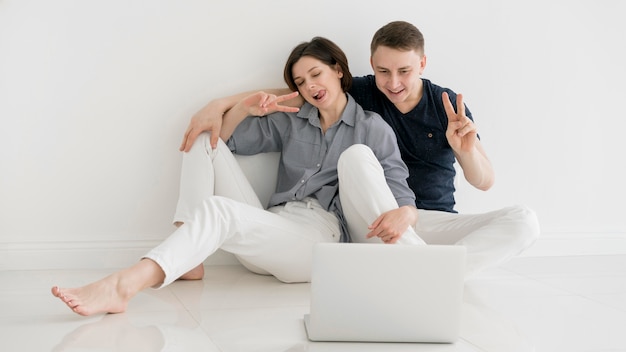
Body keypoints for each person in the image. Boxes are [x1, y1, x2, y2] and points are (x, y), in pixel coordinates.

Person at [51, 36, 425, 316]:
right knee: (202, 137)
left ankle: (125, 284)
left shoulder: (371, 128)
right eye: (300, 81)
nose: (310, 86)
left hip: (315, 241)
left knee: (220, 211)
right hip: (269, 229)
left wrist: (406, 216)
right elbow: (223, 143)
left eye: (317, 74)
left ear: (338, 71)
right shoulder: (293, 119)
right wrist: (243, 109)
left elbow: (397, 187)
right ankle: (190, 255)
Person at [180, 21, 541, 277]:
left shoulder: (446, 106)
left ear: (422, 64)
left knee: (524, 220)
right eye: (384, 71)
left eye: (404, 71)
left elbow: (485, 181)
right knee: (356, 158)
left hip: (425, 219)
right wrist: (222, 103)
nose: (394, 83)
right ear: (371, 67)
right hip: (369, 219)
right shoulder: (364, 92)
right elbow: (294, 92)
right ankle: (423, 273)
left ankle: (434, 273)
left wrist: (464, 150)